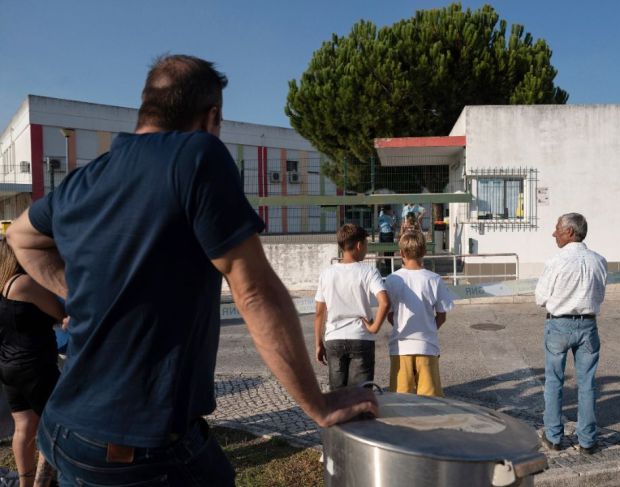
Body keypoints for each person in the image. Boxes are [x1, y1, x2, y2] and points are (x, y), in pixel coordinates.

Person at [6, 55, 377, 486]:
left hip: (64, 430)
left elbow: (21, 237)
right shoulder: (197, 155)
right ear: (212, 116)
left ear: (146, 109)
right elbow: (254, 291)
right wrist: (318, 404)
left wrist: (79, 293)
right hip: (138, 447)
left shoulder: (83, 180)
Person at [535, 213, 607, 455]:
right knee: (587, 383)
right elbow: (599, 295)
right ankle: (587, 441)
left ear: (569, 232)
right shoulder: (599, 260)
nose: (553, 233)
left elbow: (540, 298)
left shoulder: (556, 262)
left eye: (557, 228)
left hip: (559, 324)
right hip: (588, 325)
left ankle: (554, 436)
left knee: (554, 381)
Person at [0, 238, 63, 487]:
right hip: (34, 365)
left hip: (9, 365)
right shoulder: (23, 283)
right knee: (53, 424)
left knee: (23, 426)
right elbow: (60, 312)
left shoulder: (3, 286)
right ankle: (40, 484)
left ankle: (26, 485)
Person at [365, 231, 454, 397]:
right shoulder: (434, 279)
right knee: (431, 403)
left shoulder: (392, 279)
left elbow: (390, 315)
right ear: (424, 252)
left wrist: (400, 324)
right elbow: (442, 315)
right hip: (427, 346)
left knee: (400, 401)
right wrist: (429, 328)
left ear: (401, 253)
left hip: (400, 347)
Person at [314, 224, 390, 389]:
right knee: (361, 397)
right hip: (361, 338)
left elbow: (319, 312)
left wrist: (318, 343)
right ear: (359, 245)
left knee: (338, 397)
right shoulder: (369, 272)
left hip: (334, 338)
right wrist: (374, 327)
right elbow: (384, 301)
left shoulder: (326, 274)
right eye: (366, 244)